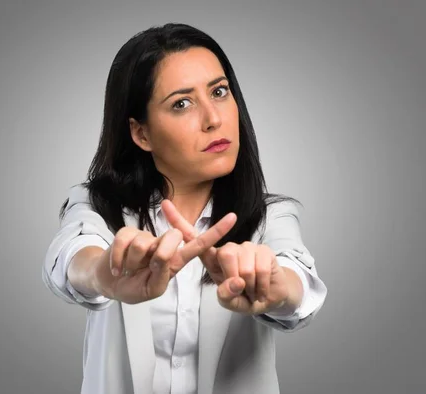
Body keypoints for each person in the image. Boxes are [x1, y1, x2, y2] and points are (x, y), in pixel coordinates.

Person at [42, 22, 328, 394]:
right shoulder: (99, 204)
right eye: (182, 103)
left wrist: (274, 286)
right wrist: (102, 273)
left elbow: (299, 282)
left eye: (220, 92)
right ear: (141, 133)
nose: (214, 119)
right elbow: (70, 255)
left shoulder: (272, 216)